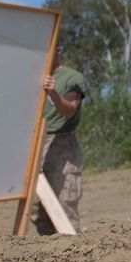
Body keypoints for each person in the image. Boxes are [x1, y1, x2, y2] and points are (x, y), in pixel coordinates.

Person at [33, 45, 86, 235]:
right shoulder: (31, 75)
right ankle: (51, 258)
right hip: (35, 142)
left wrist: (53, 93)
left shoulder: (72, 78)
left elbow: (69, 112)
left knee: (65, 204)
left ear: (58, 50)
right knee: (37, 209)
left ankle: (73, 255)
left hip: (62, 143)